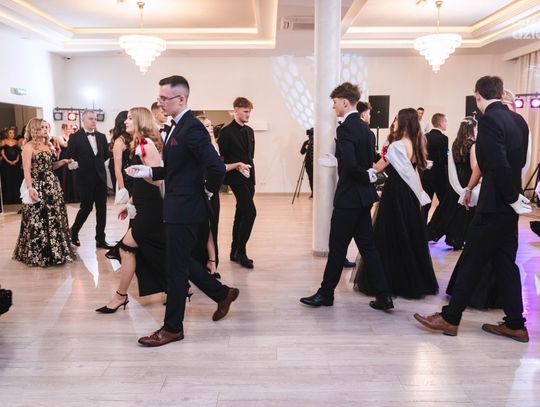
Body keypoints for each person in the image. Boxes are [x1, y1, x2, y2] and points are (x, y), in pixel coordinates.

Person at [414, 75, 531, 343]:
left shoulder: (488, 120)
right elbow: (519, 162)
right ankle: (515, 324)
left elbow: (495, 162)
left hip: (494, 205)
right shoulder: (519, 121)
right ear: (500, 93)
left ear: (478, 95)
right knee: (505, 263)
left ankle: (450, 318)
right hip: (508, 207)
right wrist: (514, 197)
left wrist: (509, 197)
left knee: (472, 260)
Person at [127, 75, 239, 347]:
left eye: (164, 98)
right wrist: (148, 171)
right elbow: (176, 169)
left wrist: (208, 191)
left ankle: (173, 328)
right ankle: (222, 293)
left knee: (176, 269)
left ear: (181, 99)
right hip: (178, 205)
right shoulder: (178, 126)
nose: (160, 103)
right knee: (179, 261)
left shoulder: (192, 128)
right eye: (159, 98)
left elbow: (216, 167)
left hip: (186, 208)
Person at [299, 82, 393, 311]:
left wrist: (357, 171)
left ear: (344, 102)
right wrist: (363, 172)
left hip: (349, 198)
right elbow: (367, 159)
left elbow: (351, 166)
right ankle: (383, 296)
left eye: (334, 102)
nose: (333, 107)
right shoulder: (366, 129)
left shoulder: (345, 129)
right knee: (368, 247)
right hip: (364, 198)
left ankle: (326, 294)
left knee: (337, 248)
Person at [353, 108, 438, 299]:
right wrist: (420, 194)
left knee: (390, 236)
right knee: (408, 234)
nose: (395, 122)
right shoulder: (417, 143)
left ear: (404, 122)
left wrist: (357, 162)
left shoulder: (397, 145)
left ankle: (389, 281)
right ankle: (410, 280)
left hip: (396, 193)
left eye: (398, 120)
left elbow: (378, 167)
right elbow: (415, 172)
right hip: (410, 194)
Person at [96, 107, 167, 313]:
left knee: (126, 249)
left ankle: (120, 296)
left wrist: (143, 172)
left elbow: (158, 181)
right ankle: (178, 287)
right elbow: (141, 182)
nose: (125, 121)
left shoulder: (145, 145)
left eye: (129, 118)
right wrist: (131, 203)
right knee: (153, 250)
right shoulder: (138, 144)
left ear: (139, 121)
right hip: (142, 205)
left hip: (152, 208)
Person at [13, 118, 74, 267]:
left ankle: (57, 252)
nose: (46, 130)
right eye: (42, 127)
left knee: (55, 216)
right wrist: (30, 188)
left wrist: (63, 162)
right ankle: (40, 254)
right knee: (38, 218)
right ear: (34, 129)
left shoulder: (48, 145)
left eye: (47, 127)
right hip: (38, 186)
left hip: (52, 185)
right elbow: (26, 170)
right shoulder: (28, 146)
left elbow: (51, 166)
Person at [197, 115, 251, 277]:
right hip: (200, 190)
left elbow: (221, 167)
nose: (210, 128)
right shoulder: (198, 146)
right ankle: (203, 263)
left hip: (212, 191)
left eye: (210, 125)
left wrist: (238, 164)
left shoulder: (214, 145)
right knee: (201, 228)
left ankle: (212, 263)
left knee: (213, 226)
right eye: (206, 126)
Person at [217, 97, 257, 269]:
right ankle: (241, 251)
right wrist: (236, 166)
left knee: (241, 214)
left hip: (249, 176)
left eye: (249, 112)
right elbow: (221, 158)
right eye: (245, 111)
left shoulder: (250, 131)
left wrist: (248, 171)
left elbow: (250, 156)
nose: (248, 114)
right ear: (236, 110)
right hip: (235, 177)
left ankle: (234, 251)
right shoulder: (226, 132)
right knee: (250, 212)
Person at [427, 117, 477, 250]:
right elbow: (473, 166)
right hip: (467, 179)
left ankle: (447, 235)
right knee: (465, 210)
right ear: (472, 129)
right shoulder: (472, 144)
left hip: (456, 180)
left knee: (452, 208)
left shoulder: (456, 143)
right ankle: (457, 238)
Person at [67, 110, 113, 249]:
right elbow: (70, 156)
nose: (94, 121)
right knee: (86, 207)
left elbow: (105, 155)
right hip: (84, 178)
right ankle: (74, 232)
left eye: (95, 119)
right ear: (83, 120)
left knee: (102, 209)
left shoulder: (101, 136)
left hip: (100, 178)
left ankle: (100, 239)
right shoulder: (75, 137)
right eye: (91, 118)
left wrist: (96, 166)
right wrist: (77, 164)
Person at [421, 113, 449, 221]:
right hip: (439, 176)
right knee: (444, 202)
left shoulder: (425, 136)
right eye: (445, 121)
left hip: (425, 174)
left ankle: (422, 226)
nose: (447, 124)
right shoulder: (443, 138)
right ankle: (437, 226)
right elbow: (443, 159)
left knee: (425, 204)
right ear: (440, 123)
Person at [108, 111, 133, 196]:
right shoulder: (119, 142)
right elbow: (117, 169)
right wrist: (122, 189)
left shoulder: (133, 137)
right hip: (127, 179)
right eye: (129, 118)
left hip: (136, 177)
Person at [53, 123, 79, 203]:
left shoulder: (72, 137)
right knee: (65, 176)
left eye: (70, 129)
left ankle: (75, 197)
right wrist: (72, 137)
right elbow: (65, 145)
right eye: (67, 129)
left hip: (72, 156)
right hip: (64, 156)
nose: (69, 130)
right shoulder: (60, 137)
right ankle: (66, 197)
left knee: (74, 176)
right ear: (63, 129)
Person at [1, 127, 23, 204]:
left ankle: (15, 198)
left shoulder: (16, 142)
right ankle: (8, 199)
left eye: (13, 133)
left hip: (15, 164)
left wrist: (16, 160)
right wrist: (8, 161)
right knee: (7, 180)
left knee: (15, 180)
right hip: (6, 164)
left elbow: (18, 153)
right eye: (10, 133)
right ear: (7, 134)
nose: (12, 134)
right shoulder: (3, 141)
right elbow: (2, 153)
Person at [300, 128, 314, 198]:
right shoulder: (306, 142)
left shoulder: (318, 142)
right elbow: (302, 152)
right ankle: (313, 192)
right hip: (308, 164)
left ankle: (318, 193)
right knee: (311, 178)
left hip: (317, 164)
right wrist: (305, 147)